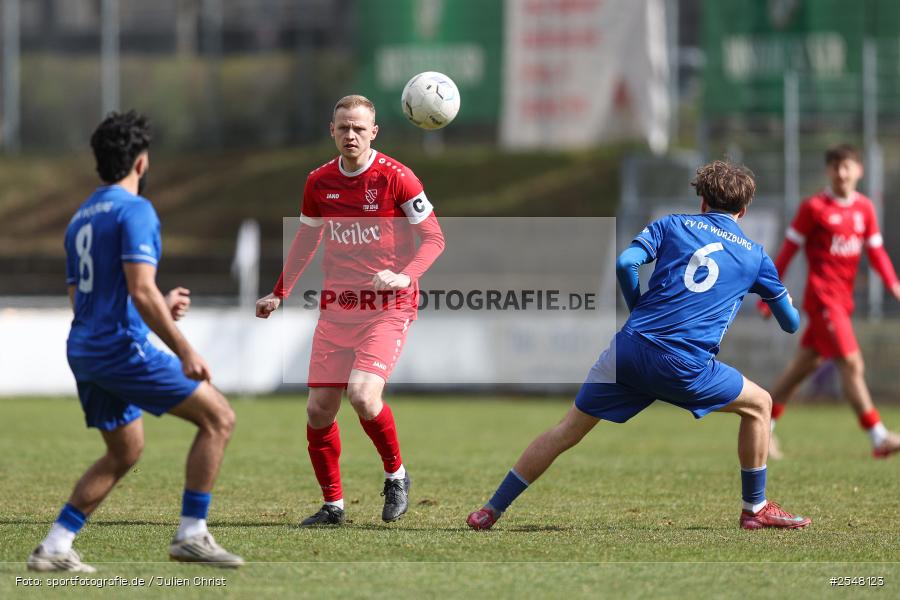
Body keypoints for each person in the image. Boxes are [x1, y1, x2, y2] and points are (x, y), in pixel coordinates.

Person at [467, 160, 811, 531]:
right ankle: (754, 509)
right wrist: (779, 298)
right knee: (760, 404)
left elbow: (625, 263)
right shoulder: (755, 255)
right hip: (684, 365)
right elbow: (791, 325)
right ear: (743, 210)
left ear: (703, 203)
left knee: (566, 430)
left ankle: (490, 510)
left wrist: (638, 309)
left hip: (628, 351)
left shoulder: (671, 225)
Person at [28, 112, 243, 573]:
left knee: (125, 451)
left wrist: (157, 304)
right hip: (117, 347)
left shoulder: (81, 218)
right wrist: (185, 348)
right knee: (219, 418)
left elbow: (84, 297)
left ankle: (55, 545)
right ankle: (192, 534)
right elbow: (141, 290)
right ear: (141, 164)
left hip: (85, 348)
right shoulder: (136, 210)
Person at [256, 95, 445, 526]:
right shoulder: (319, 181)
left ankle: (396, 476)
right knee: (319, 409)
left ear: (373, 132)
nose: (351, 135)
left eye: (359, 128)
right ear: (332, 131)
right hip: (337, 308)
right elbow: (307, 240)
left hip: (387, 307)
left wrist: (404, 274)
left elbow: (434, 238)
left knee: (362, 395)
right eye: (343, 128)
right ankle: (333, 506)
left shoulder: (398, 178)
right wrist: (279, 292)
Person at [760, 144, 900, 459]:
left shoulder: (864, 208)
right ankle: (878, 437)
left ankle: (763, 428)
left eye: (847, 166)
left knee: (800, 368)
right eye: (835, 166)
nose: (841, 173)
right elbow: (787, 252)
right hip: (823, 301)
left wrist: (893, 284)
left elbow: (876, 252)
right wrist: (769, 296)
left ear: (859, 171)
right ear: (828, 171)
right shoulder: (814, 208)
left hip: (842, 302)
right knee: (852, 363)